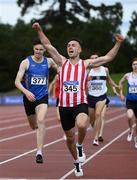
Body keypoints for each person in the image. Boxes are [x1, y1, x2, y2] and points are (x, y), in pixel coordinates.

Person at [32, 22, 124, 177]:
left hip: (80, 103)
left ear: (79, 49)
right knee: (69, 139)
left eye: (73, 45)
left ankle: (80, 145)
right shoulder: (62, 62)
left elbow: (108, 57)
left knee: (82, 124)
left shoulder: (86, 64)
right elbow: (47, 45)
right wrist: (40, 30)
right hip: (64, 105)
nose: (70, 47)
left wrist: (118, 43)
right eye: (68, 45)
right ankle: (76, 162)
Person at [15, 39, 57, 163]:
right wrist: (27, 92)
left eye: (41, 49)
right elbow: (17, 82)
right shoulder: (26, 62)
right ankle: (39, 128)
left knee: (41, 120)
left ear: (44, 50)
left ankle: (39, 152)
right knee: (34, 125)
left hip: (42, 97)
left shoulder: (48, 61)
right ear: (33, 49)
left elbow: (61, 65)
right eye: (36, 49)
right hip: (29, 98)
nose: (38, 51)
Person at [87, 54, 120, 146]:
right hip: (91, 96)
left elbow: (109, 80)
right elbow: (82, 82)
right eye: (92, 59)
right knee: (92, 120)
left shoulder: (105, 70)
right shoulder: (88, 70)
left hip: (101, 96)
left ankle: (96, 138)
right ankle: (95, 128)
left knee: (99, 114)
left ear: (99, 59)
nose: (94, 60)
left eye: (96, 59)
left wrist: (115, 86)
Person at [119, 57, 137, 149]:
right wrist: (121, 94)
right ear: (132, 66)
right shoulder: (127, 75)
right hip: (130, 101)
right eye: (133, 64)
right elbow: (121, 82)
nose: (135, 66)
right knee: (129, 116)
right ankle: (130, 129)